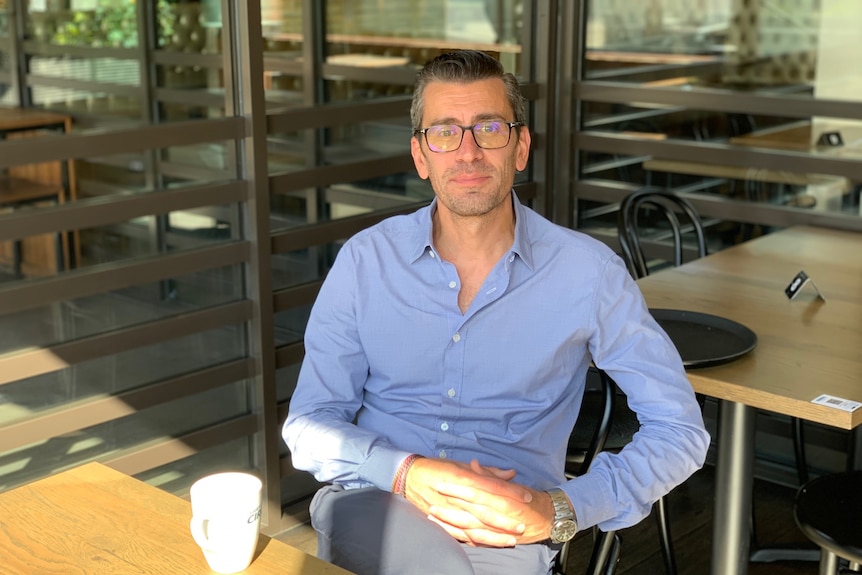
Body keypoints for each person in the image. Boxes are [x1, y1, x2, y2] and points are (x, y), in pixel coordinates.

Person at [282, 50, 709, 575]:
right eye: (444, 132)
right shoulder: (365, 260)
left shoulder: (589, 273)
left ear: (521, 146)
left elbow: (680, 429)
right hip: (376, 506)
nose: (467, 152)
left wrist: (565, 507)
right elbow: (308, 424)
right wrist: (405, 473)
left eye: (488, 128)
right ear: (421, 156)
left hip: (509, 539)